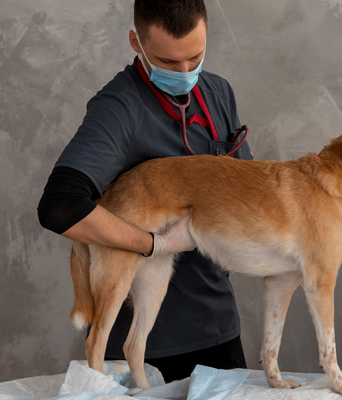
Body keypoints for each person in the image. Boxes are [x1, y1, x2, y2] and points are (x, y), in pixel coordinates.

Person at [37, 0, 252, 382]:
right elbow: (60, 206)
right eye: (168, 63)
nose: (186, 71)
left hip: (217, 327)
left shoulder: (218, 92)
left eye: (195, 56)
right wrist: (154, 245)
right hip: (151, 346)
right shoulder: (119, 108)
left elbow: (248, 187)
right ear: (136, 42)